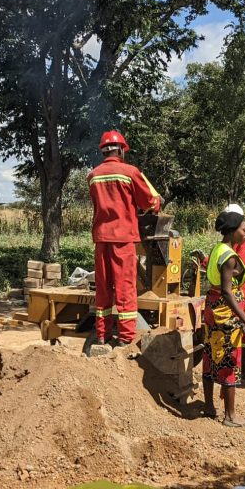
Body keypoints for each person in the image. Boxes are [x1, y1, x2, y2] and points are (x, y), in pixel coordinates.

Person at [87, 130, 161, 346]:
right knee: (125, 287)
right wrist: (156, 202)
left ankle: (102, 334)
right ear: (120, 150)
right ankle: (127, 338)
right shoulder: (130, 172)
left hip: (102, 238)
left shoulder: (93, 176)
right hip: (123, 238)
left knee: (103, 288)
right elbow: (147, 202)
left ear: (103, 151)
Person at [202, 211, 245, 427]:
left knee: (210, 354)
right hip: (226, 312)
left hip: (212, 310)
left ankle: (209, 406)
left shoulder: (218, 249)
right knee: (228, 359)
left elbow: (219, 281)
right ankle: (230, 416)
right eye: (244, 230)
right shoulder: (230, 256)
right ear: (233, 230)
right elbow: (227, 291)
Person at [223, 202, 245, 381]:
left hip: (238, 292)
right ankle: (242, 372)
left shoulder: (240, 241)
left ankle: (242, 373)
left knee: (241, 330)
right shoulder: (236, 240)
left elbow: (238, 267)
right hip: (238, 290)